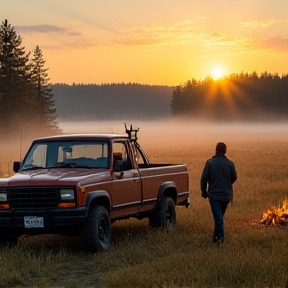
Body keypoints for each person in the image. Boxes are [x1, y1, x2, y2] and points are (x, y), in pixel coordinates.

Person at [200, 142, 237, 244]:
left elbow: (203, 179)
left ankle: (220, 240)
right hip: (226, 196)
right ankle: (215, 237)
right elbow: (233, 178)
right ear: (225, 151)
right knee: (219, 217)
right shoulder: (230, 164)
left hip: (214, 196)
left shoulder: (210, 163)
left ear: (216, 150)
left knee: (218, 219)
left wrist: (204, 191)